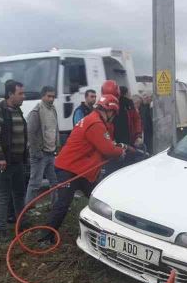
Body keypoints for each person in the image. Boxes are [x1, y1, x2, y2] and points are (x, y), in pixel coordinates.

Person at [41, 94, 127, 243]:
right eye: (114, 114)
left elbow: (104, 144)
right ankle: (45, 238)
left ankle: (105, 231)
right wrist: (121, 151)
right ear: (110, 111)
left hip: (80, 171)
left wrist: (115, 147)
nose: (113, 117)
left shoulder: (93, 120)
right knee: (63, 204)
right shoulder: (95, 123)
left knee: (98, 199)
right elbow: (108, 150)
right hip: (68, 170)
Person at [0, 80, 28, 240]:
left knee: (19, 193)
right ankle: (1, 230)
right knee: (3, 194)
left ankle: (21, 224)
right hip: (4, 162)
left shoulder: (17, 110)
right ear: (10, 94)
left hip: (18, 160)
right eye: (20, 93)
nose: (23, 97)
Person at [25, 86, 60, 207]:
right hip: (40, 154)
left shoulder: (53, 109)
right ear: (43, 96)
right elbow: (30, 132)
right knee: (35, 183)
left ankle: (55, 205)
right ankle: (28, 210)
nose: (51, 99)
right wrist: (36, 152)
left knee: (54, 181)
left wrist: (57, 146)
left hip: (51, 152)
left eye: (53, 96)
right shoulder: (36, 111)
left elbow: (55, 129)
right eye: (49, 96)